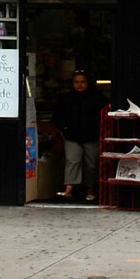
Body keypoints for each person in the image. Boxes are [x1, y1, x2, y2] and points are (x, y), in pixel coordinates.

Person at [53, 69, 101, 201]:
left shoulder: (96, 98)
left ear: (88, 83)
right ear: (72, 83)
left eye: (83, 82)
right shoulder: (65, 99)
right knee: (72, 162)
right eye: (76, 82)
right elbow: (57, 116)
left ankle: (90, 189)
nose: (79, 85)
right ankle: (69, 189)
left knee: (91, 164)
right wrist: (64, 128)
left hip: (91, 135)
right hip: (72, 136)